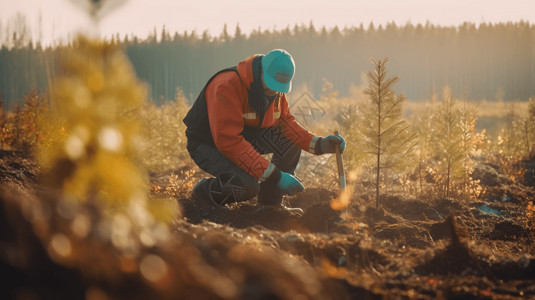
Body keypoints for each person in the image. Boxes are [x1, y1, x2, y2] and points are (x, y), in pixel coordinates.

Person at [183, 49, 346, 212]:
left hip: (245, 139)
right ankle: (203, 192)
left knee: (290, 141)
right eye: (271, 85)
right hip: (208, 145)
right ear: (261, 71)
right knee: (247, 187)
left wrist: (320, 144)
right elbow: (229, 142)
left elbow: (285, 123)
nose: (274, 91)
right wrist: (276, 176)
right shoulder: (227, 85)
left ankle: (271, 204)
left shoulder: (276, 91)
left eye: (278, 88)